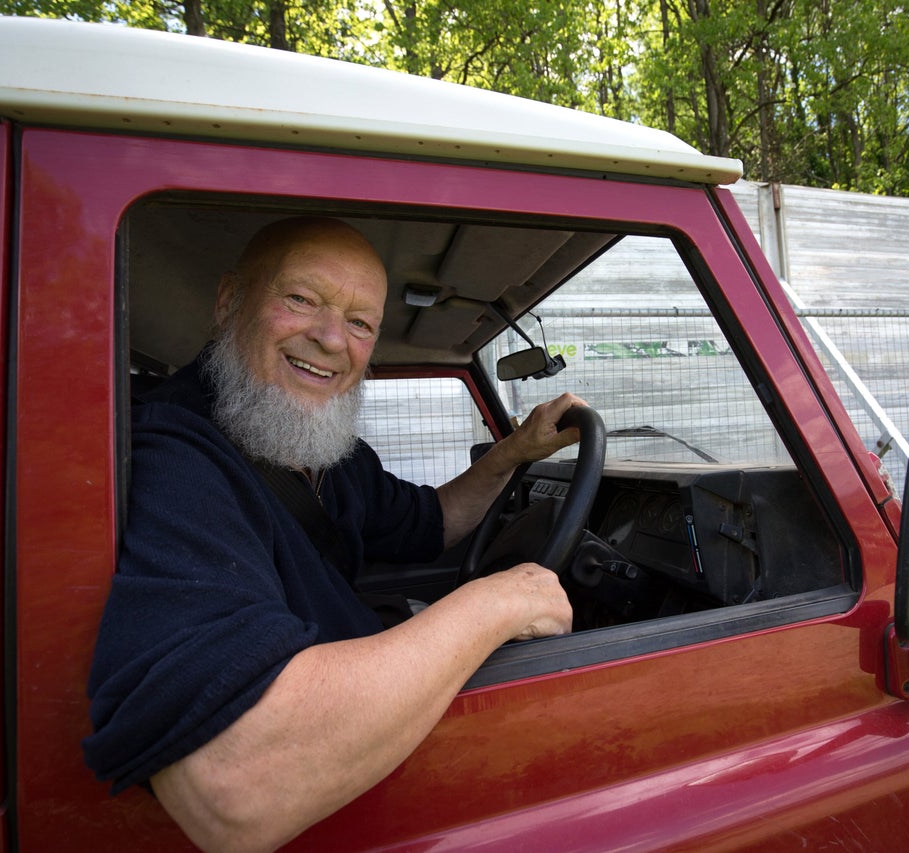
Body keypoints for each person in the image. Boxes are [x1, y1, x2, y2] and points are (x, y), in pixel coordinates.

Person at [84, 216, 581, 853]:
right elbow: (230, 784)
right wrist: (495, 604)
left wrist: (513, 452)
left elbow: (431, 524)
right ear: (230, 300)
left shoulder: (327, 451)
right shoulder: (176, 457)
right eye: (301, 300)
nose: (329, 338)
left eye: (359, 322)